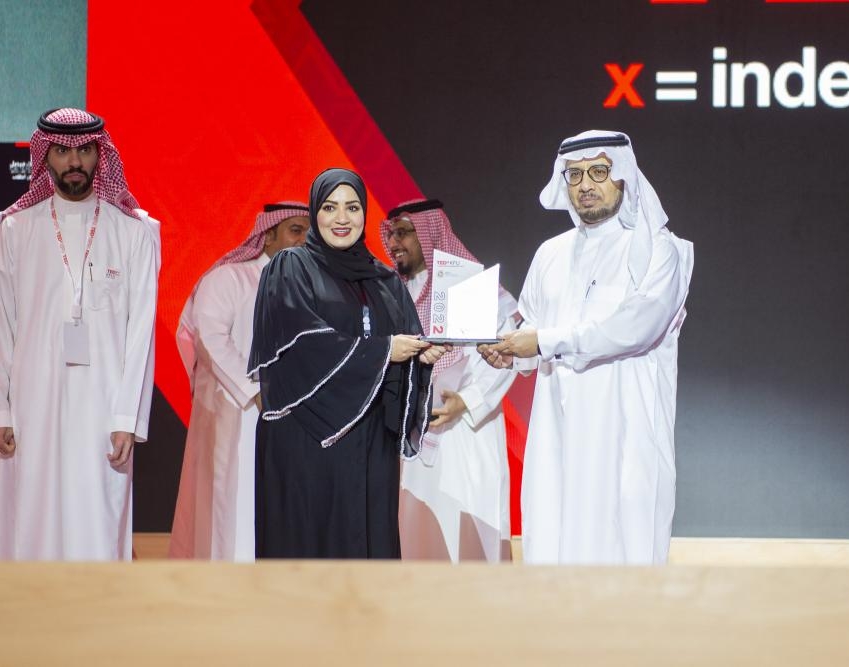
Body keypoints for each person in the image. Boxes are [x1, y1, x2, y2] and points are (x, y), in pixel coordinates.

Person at [479, 130, 694, 565]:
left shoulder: (658, 250)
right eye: (574, 175)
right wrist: (510, 354)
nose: (585, 185)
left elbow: (635, 328)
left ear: (624, 175)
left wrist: (542, 342)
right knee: (553, 547)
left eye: (599, 171)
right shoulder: (550, 254)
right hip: (555, 437)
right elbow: (532, 333)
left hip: (626, 435)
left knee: (624, 554)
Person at [0, 108, 160, 561]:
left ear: (101, 154)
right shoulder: (15, 230)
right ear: (45, 157)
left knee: (99, 518)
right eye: (62, 151)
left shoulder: (134, 232)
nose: (74, 161)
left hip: (104, 407)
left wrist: (128, 418)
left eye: (84, 150)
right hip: (31, 406)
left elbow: (141, 333)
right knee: (32, 518)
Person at [247, 168, 448, 558]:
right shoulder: (291, 267)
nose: (342, 218)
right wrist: (385, 351)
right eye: (330, 207)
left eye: (353, 208)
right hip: (306, 440)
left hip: (368, 443)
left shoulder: (384, 282)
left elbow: (403, 350)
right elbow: (302, 343)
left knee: (367, 550)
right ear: (315, 213)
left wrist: (418, 358)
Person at [169, 202, 310, 561]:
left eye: (309, 233)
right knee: (233, 502)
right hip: (238, 412)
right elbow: (210, 338)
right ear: (269, 235)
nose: (304, 240)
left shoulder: (309, 287)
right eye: (296, 230)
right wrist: (255, 391)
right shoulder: (229, 278)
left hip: (293, 416)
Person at [381, 199, 518, 563]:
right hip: (408, 437)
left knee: (467, 535)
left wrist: (467, 401)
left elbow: (504, 355)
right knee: (412, 534)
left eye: (404, 233)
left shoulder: (471, 286)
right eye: (391, 233)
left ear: (431, 235)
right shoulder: (389, 294)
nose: (394, 242)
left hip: (465, 434)